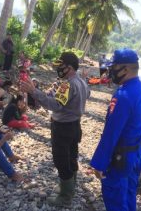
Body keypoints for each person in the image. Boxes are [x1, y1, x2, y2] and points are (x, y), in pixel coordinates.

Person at [21, 52, 90, 206]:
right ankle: (70, 188)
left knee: (61, 160)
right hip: (75, 125)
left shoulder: (67, 84)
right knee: (72, 156)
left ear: (69, 68)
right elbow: (87, 94)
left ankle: (65, 196)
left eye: (61, 66)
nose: (58, 69)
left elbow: (55, 105)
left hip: (63, 127)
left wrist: (33, 91)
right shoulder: (81, 82)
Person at [90, 48, 141, 211]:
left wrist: (100, 163)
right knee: (129, 194)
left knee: (115, 199)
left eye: (114, 67)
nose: (111, 71)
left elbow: (111, 133)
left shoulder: (123, 95)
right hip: (137, 152)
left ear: (125, 69)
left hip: (121, 157)